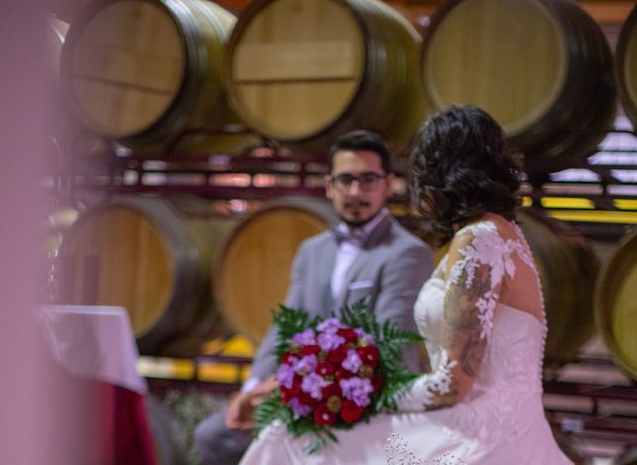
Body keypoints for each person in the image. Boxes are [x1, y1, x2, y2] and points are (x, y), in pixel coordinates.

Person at [238, 105, 573, 464]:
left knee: (292, 439)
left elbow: (452, 385)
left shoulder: (480, 242)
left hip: (479, 438)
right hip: (491, 423)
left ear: (440, 173)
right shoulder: (502, 234)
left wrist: (359, 392)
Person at [194, 130, 434, 464]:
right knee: (213, 436)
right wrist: (252, 390)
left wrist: (295, 388)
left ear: (388, 184)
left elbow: (388, 347)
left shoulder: (407, 253)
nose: (355, 191)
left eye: (368, 180)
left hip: (369, 398)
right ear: (329, 186)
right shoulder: (312, 250)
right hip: (302, 394)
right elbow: (284, 327)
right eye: (345, 180)